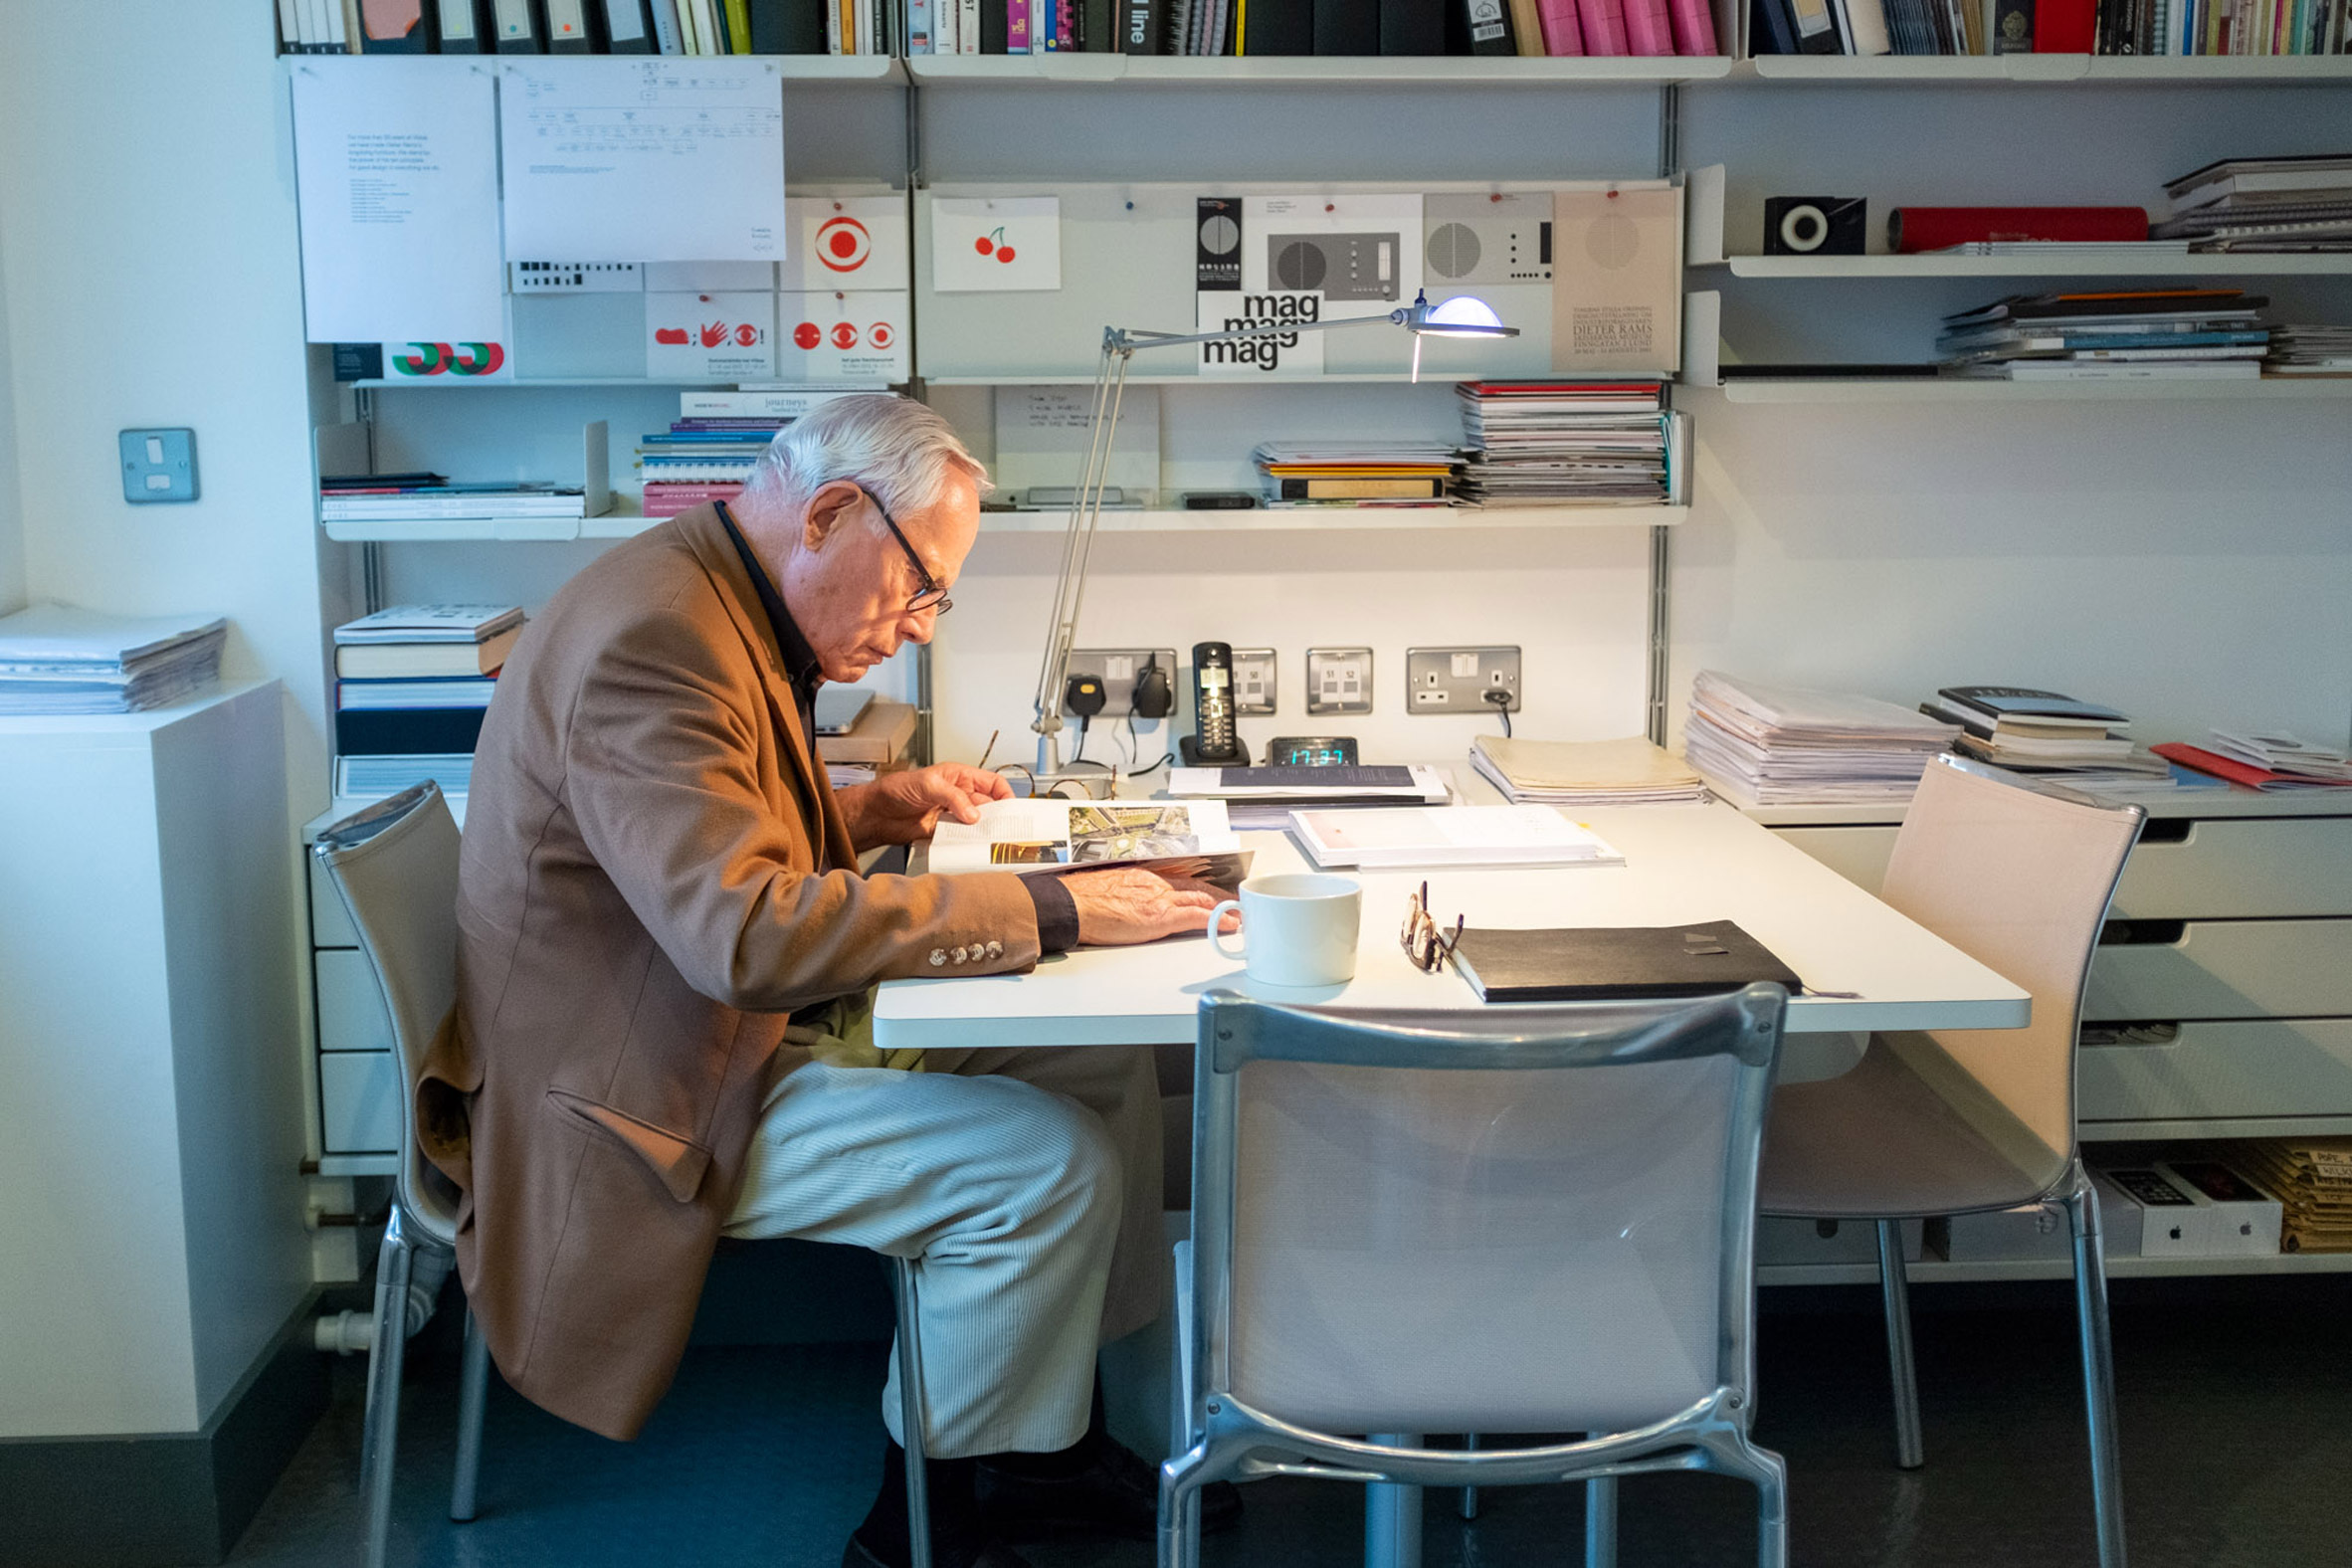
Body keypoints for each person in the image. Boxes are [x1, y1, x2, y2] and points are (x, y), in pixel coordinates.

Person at [422, 395, 1237, 1568]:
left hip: (706, 1034)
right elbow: (741, 933)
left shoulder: (711, 598)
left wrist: (861, 810)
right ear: (832, 513)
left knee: (1096, 1070)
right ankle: (922, 1527)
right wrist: (1052, 906)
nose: (918, 625)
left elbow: (698, 850)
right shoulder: (655, 642)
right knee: (1041, 1165)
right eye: (920, 586)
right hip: (636, 1102)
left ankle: (1038, 1453)